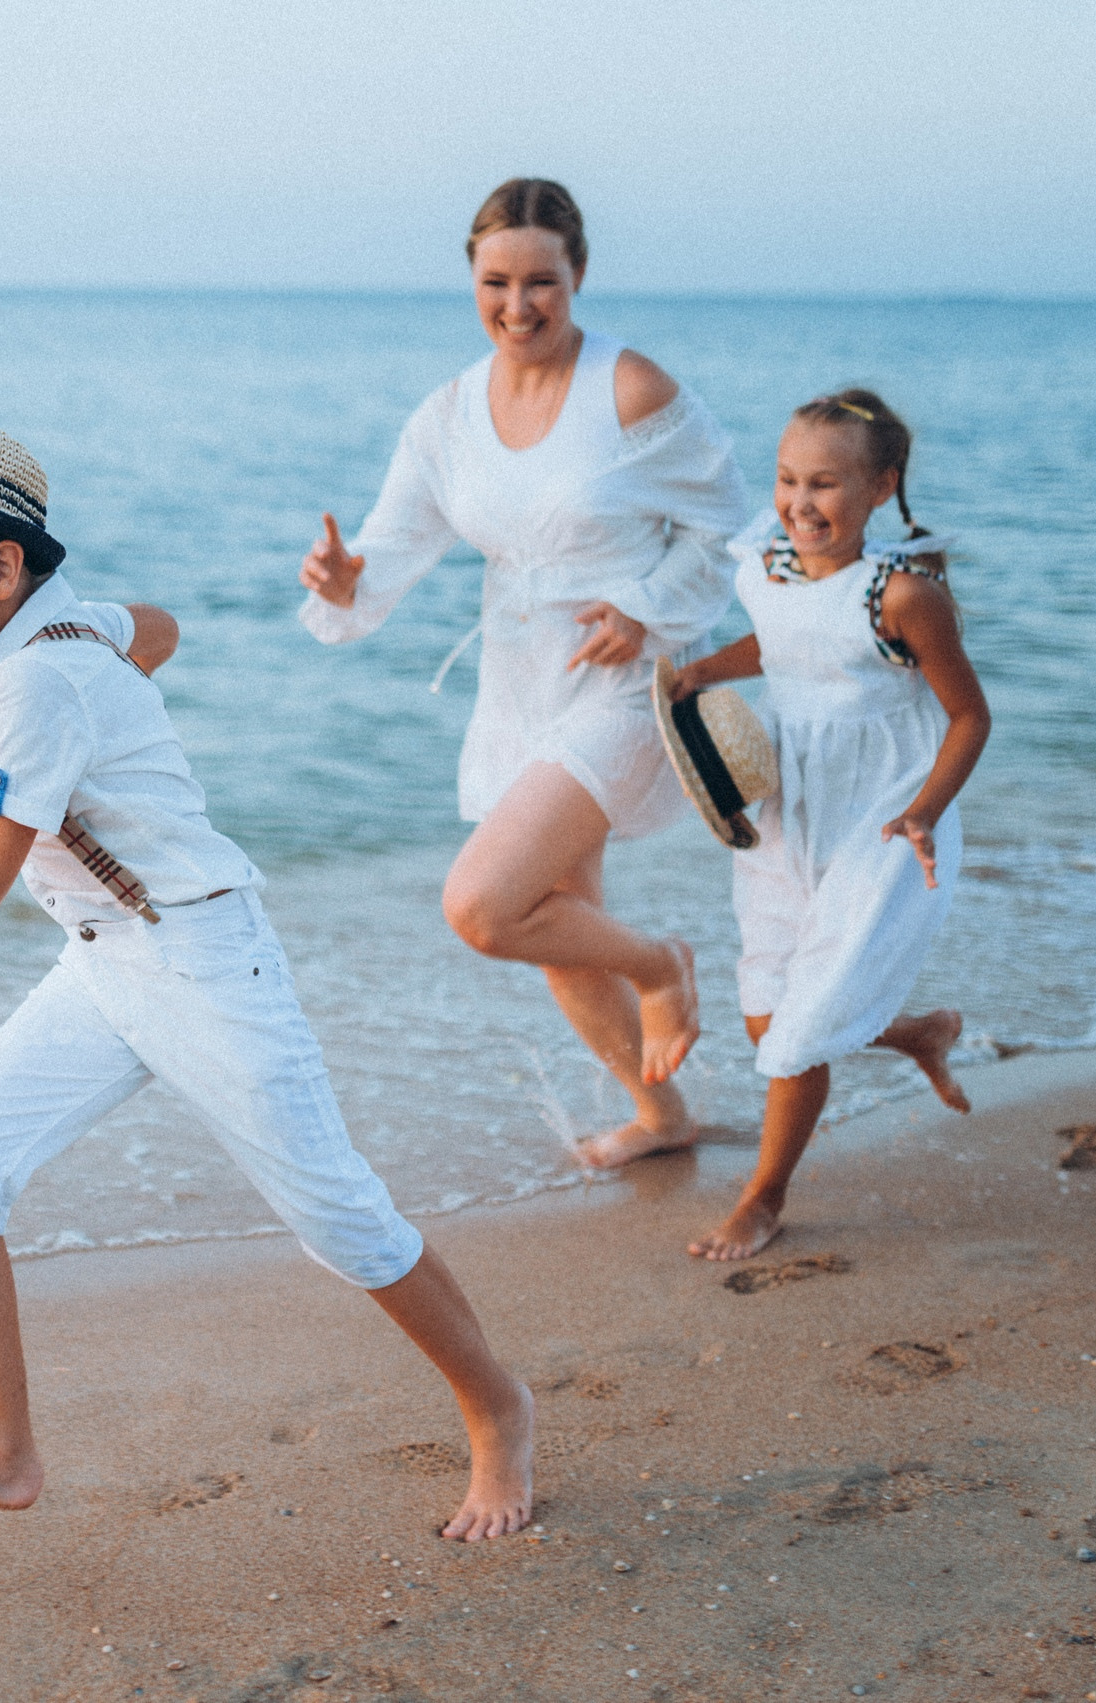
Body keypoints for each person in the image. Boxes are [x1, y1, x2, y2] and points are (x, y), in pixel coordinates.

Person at [0, 417, 536, 1541]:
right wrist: (110, 693)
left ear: (0, 568)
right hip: (105, 957)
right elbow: (154, 630)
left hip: (205, 962)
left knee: (342, 1221)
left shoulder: (30, 689)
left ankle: (497, 1405)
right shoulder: (57, 630)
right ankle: (0, 1444)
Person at [299, 178, 752, 1164]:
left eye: (539, 281)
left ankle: (662, 964)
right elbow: (392, 543)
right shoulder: (448, 413)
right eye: (494, 281)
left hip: (620, 687)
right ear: (470, 277)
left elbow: (724, 525)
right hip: (516, 685)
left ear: (577, 275)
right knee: (554, 921)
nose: (517, 305)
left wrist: (645, 608)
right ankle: (661, 1118)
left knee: (484, 905)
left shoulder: (629, 388)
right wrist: (342, 581)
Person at [665, 389, 989, 1259]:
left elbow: (970, 719)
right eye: (786, 480)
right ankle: (916, 1031)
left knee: (801, 1033)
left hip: (884, 814)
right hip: (785, 809)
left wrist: (923, 811)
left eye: (826, 485)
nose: (801, 504)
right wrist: (700, 673)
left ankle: (763, 1197)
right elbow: (778, 646)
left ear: (880, 487)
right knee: (770, 1021)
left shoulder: (904, 597)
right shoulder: (765, 567)